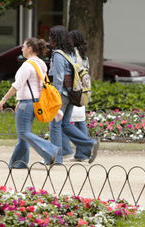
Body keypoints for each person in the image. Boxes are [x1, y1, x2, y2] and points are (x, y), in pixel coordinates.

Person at [0, 38, 60, 168]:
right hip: (36, 102)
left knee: (23, 133)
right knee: (23, 134)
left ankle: (49, 150)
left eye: (23, 47)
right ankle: (18, 163)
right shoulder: (41, 64)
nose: (22, 49)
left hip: (26, 103)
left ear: (30, 48)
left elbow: (17, 85)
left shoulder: (27, 65)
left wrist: (4, 99)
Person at [48, 25, 99, 165]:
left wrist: (55, 99)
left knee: (55, 125)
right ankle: (89, 143)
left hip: (62, 95)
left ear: (56, 38)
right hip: (72, 94)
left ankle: (56, 158)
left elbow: (58, 79)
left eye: (51, 36)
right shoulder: (71, 53)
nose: (49, 39)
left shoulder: (58, 54)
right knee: (64, 123)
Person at [62, 30, 91, 161]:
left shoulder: (73, 54)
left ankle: (70, 150)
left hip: (74, 90)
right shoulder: (84, 55)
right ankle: (82, 153)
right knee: (80, 121)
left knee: (65, 122)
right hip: (82, 91)